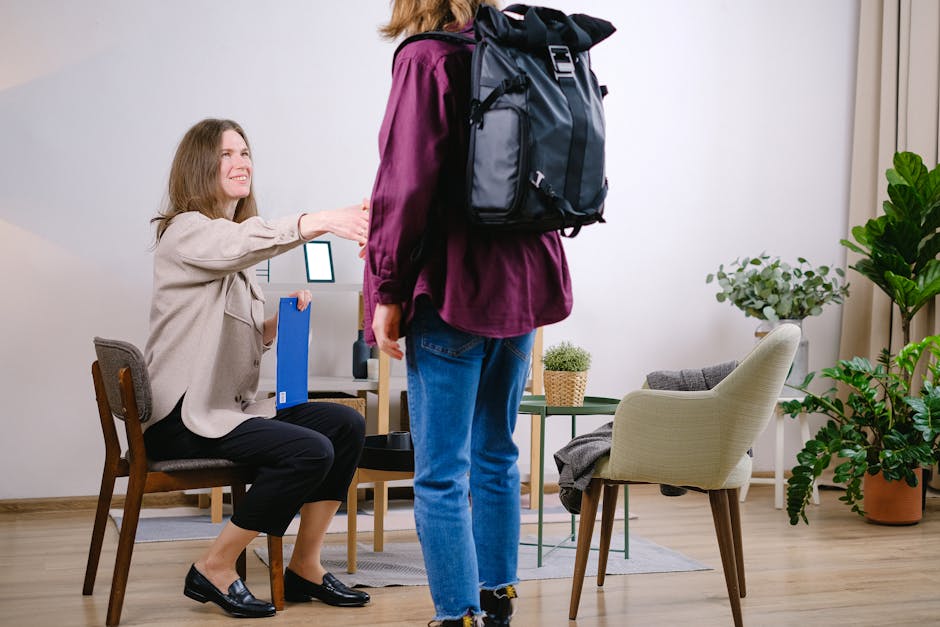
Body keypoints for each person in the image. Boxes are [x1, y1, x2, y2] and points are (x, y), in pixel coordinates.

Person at [364, 2, 573, 625]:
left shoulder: (427, 58)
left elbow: (403, 188)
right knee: (496, 454)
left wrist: (386, 289)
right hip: (524, 286)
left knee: (439, 473)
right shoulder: (526, 49)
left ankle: (456, 615)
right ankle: (496, 598)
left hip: (453, 288)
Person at [144, 118, 371, 619]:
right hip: (181, 420)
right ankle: (215, 565)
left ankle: (305, 566)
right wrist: (321, 220)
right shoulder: (187, 232)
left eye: (244, 152)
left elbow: (232, 335)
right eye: (226, 154)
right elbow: (243, 242)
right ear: (200, 166)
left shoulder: (232, 247)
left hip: (221, 411)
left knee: (346, 424)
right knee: (309, 450)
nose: (240, 162)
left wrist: (273, 325)